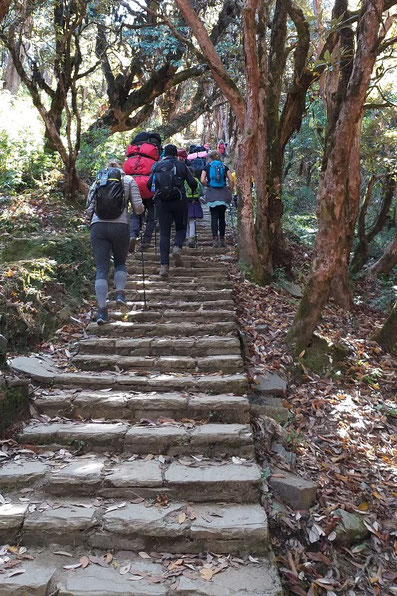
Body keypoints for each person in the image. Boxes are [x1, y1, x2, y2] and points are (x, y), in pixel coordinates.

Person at [86, 159, 144, 324]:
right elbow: (138, 207)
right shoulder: (128, 180)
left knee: (102, 269)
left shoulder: (98, 180)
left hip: (98, 227)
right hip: (120, 227)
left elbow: (89, 207)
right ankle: (120, 294)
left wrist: (87, 221)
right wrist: (142, 211)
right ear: (120, 168)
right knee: (120, 263)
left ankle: (102, 311)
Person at [147, 144, 197, 277]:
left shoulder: (157, 166)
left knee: (164, 233)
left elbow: (148, 184)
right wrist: (192, 189)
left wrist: (158, 192)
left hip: (162, 203)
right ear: (176, 154)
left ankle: (164, 266)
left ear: (164, 153)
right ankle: (177, 247)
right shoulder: (181, 165)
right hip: (179, 201)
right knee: (181, 228)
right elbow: (193, 183)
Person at [201, 150, 234, 248]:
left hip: (212, 193)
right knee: (222, 217)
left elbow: (202, 180)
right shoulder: (224, 167)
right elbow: (231, 180)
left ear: (210, 158)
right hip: (223, 193)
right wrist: (230, 191)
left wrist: (209, 185)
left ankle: (215, 239)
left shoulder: (207, 167)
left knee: (214, 217)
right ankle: (222, 239)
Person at [185, 169, 204, 248]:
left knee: (185, 220)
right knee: (192, 220)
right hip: (194, 201)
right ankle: (191, 237)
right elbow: (201, 192)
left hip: (185, 201)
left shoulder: (184, 181)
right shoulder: (196, 180)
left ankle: (186, 236)